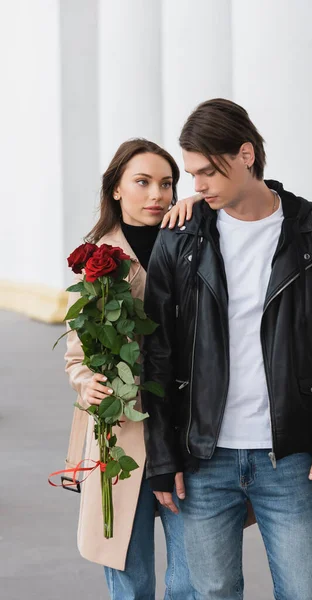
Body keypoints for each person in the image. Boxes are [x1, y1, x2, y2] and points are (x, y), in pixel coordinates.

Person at [142, 99, 312, 600]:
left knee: (306, 592)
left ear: (246, 154)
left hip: (289, 457)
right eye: (191, 173)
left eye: (207, 171)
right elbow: (155, 353)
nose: (196, 186)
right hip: (201, 456)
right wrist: (162, 455)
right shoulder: (180, 239)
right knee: (213, 592)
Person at [64, 138, 200, 600]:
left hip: (184, 427)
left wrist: (202, 203)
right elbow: (77, 356)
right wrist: (87, 386)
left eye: (167, 184)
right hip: (120, 430)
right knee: (129, 573)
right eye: (142, 182)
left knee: (193, 577)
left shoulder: (192, 242)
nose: (156, 195)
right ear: (117, 189)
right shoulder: (96, 260)